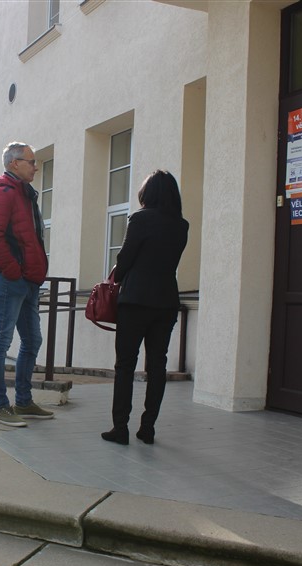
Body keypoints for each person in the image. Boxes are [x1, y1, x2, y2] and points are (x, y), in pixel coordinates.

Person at [101, 170, 189, 446]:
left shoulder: (140, 219)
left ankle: (120, 428)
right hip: (166, 302)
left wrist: (118, 273)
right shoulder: (181, 225)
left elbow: (125, 259)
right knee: (157, 365)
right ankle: (148, 428)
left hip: (136, 301)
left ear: (147, 193)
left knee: (125, 365)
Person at [0, 142, 53, 427]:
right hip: (9, 280)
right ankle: (1, 407)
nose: (36, 167)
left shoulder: (24, 194)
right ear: (14, 163)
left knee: (33, 340)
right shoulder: (3, 192)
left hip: (27, 281)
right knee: (0, 343)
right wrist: (13, 271)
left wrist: (27, 274)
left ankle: (23, 401)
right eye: (31, 161)